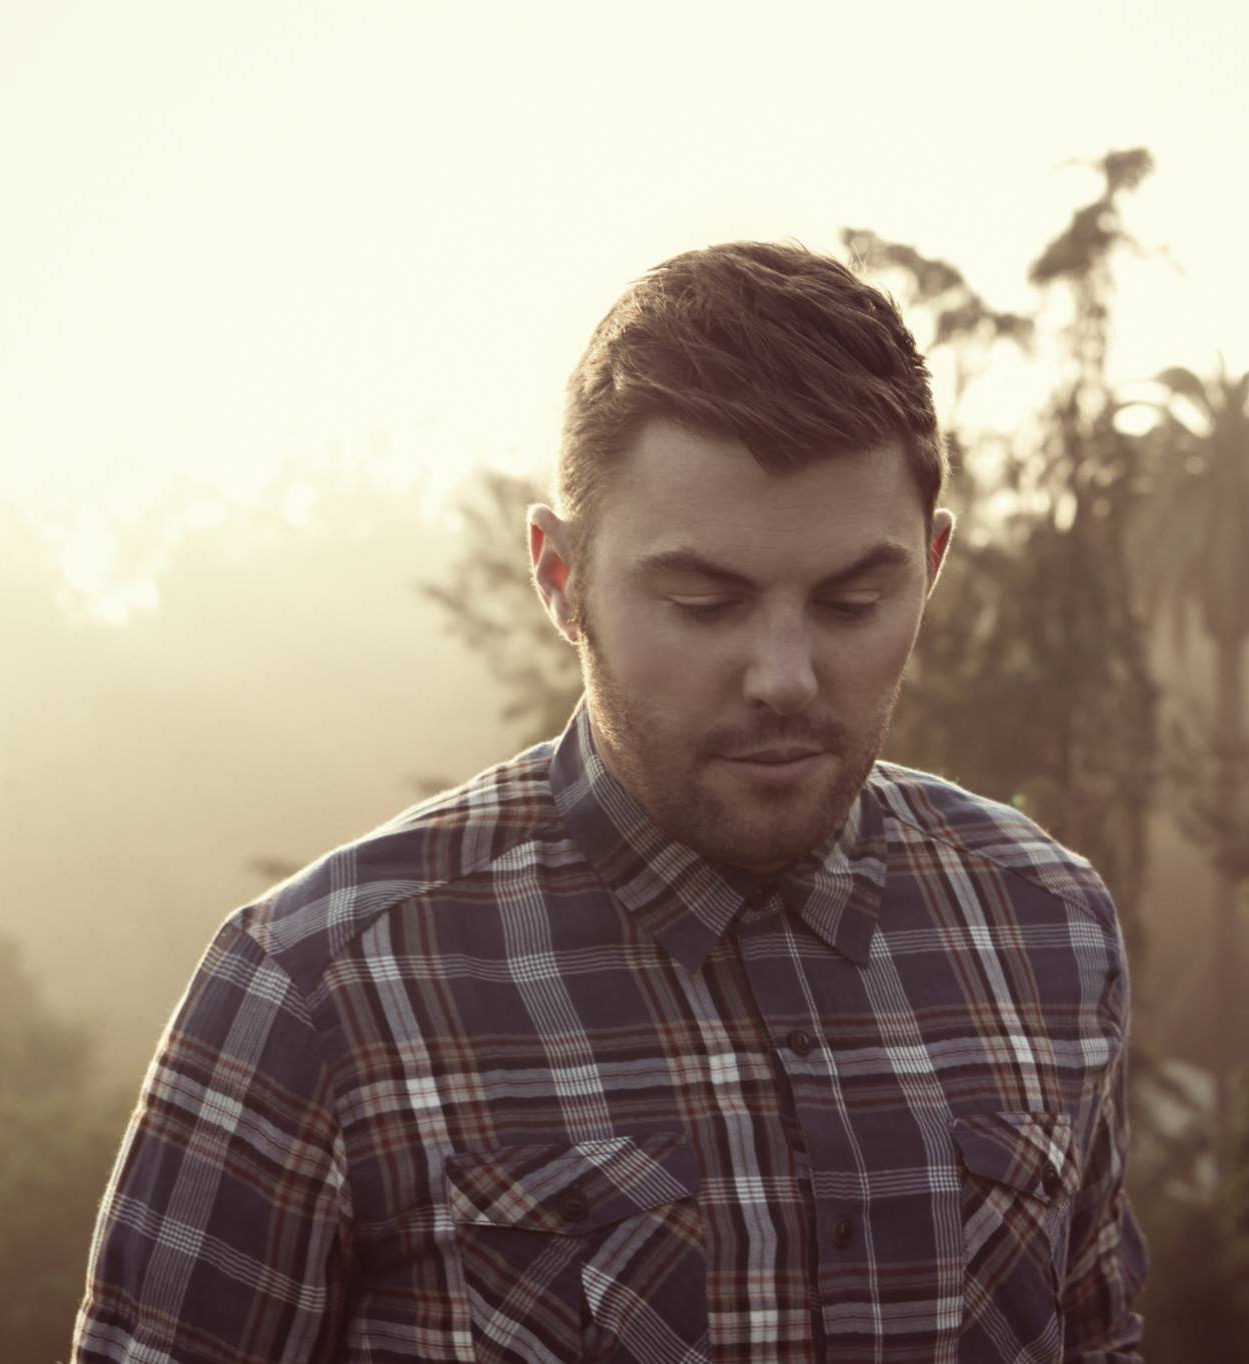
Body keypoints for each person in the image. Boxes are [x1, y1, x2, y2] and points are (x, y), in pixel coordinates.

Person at [72, 241, 1147, 1363]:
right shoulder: (319, 989)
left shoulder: (1050, 928)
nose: (783, 676)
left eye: (852, 602)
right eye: (703, 602)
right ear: (560, 575)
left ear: (931, 564)